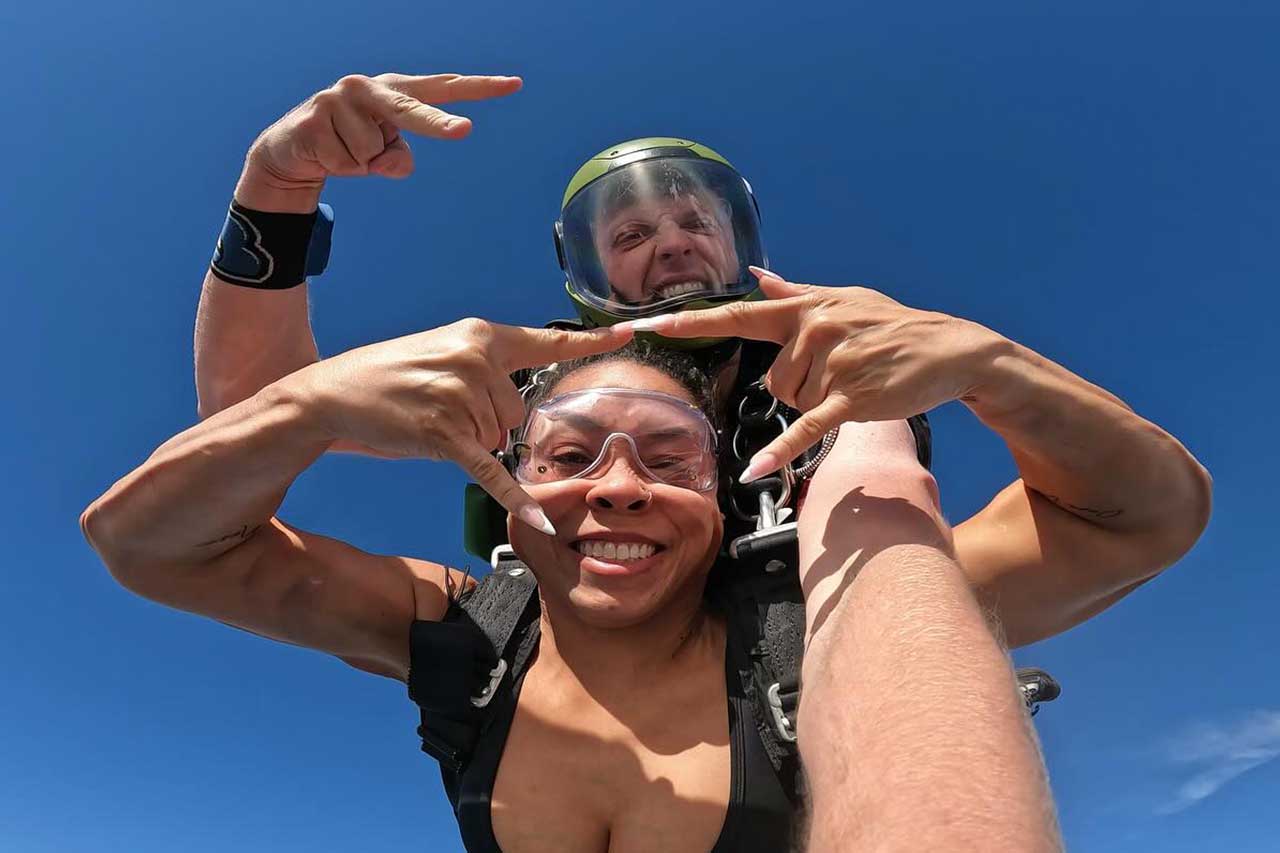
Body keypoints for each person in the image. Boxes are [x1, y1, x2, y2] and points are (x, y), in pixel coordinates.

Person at [197, 71, 1211, 650]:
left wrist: (993, 366)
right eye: (630, 232)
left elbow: (1140, 515)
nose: (671, 241)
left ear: (737, 240)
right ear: (585, 267)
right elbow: (249, 417)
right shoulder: (538, 389)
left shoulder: (854, 396)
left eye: (692, 219)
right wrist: (274, 192)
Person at [82, 323, 1061, 851]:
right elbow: (150, 544)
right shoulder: (471, 632)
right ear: (502, 490)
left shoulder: (826, 621)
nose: (619, 485)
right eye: (569, 456)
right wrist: (305, 406)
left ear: (719, 503)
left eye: (671, 461)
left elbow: (1142, 516)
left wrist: (992, 368)